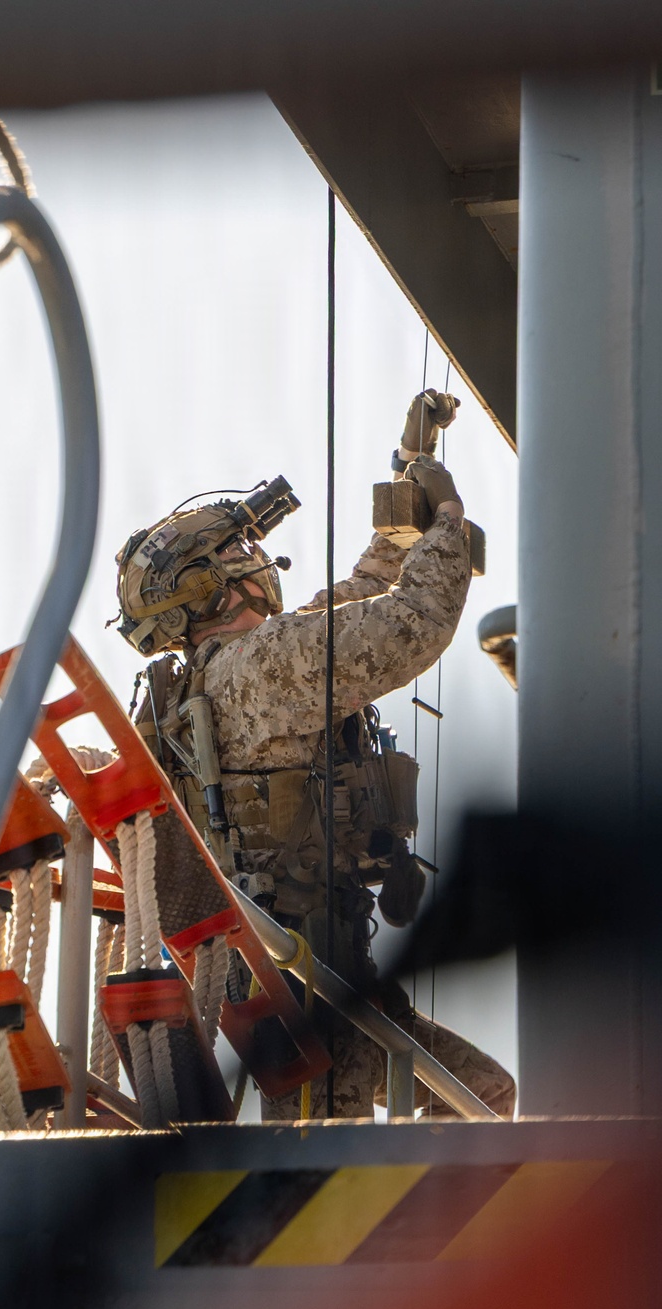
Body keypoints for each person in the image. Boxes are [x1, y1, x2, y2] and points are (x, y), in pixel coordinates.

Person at [115, 391, 516, 1120]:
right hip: (310, 973)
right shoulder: (266, 663)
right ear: (207, 588)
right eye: (236, 553)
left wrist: (409, 467)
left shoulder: (225, 673)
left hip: (298, 965)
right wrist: (448, 518)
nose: (256, 561)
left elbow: (362, 594)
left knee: (480, 1095)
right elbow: (411, 621)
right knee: (328, 1157)